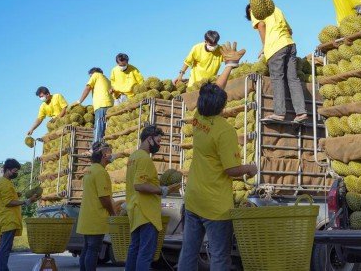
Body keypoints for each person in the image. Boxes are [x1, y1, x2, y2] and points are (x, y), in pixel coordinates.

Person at [177, 42, 258, 271]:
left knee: (189, 253)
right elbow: (230, 170)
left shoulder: (198, 117)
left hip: (193, 198)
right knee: (220, 257)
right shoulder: (224, 131)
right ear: (223, 105)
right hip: (215, 206)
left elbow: (215, 92)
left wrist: (229, 67)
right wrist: (249, 168)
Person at [124, 125, 178, 271]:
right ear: (149, 139)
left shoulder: (133, 157)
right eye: (158, 141)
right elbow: (139, 185)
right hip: (146, 213)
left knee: (134, 249)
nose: (159, 145)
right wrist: (163, 190)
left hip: (135, 210)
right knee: (145, 253)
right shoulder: (144, 159)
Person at [245, 4, 308, 122]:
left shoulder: (255, 9)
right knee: (293, 78)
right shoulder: (276, 9)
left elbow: (261, 25)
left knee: (277, 78)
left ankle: (279, 113)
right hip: (290, 44)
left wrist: (264, 45)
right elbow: (290, 30)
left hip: (275, 47)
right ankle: (301, 112)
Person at [0, 159, 40, 271]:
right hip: (8, 221)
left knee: (2, 248)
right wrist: (26, 201)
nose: (16, 173)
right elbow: (8, 202)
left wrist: (16, 194)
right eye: (14, 171)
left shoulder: (6, 182)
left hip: (7, 220)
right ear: (7, 170)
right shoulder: (4, 184)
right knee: (5, 249)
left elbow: (7, 197)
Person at [76, 142, 115, 271]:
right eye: (110, 152)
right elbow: (103, 198)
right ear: (104, 155)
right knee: (93, 250)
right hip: (96, 218)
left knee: (87, 248)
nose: (112, 155)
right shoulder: (101, 172)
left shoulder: (89, 170)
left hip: (87, 217)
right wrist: (112, 212)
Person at [73, 68, 114, 143]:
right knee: (106, 127)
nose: (90, 78)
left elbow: (88, 88)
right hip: (110, 105)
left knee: (99, 126)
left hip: (101, 104)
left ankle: (95, 147)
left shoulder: (96, 75)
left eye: (90, 76)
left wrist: (79, 101)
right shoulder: (107, 80)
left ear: (93, 73)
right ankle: (103, 145)